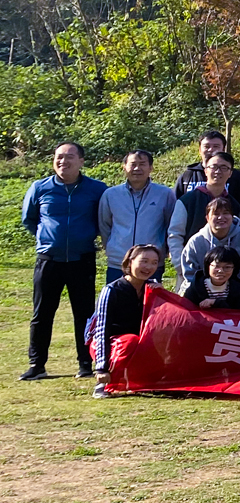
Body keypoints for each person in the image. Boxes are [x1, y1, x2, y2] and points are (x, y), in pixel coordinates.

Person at [21, 142, 107, 380]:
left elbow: (103, 219)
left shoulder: (97, 189)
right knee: (42, 313)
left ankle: (86, 363)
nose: (63, 161)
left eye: (70, 157)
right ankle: (37, 365)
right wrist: (47, 239)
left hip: (82, 259)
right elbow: (29, 219)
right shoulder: (40, 187)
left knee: (84, 313)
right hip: (49, 260)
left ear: (81, 161)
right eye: (59, 156)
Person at [87, 244, 162, 398]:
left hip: (138, 343)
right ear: (130, 262)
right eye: (144, 261)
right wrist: (101, 368)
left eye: (154, 263)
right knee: (130, 341)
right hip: (109, 343)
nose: (149, 267)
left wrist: (161, 295)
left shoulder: (151, 289)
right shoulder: (111, 290)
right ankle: (105, 384)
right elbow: (101, 330)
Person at [98, 150, 174, 283]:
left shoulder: (165, 194)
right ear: (124, 167)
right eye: (133, 164)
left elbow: (171, 225)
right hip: (118, 262)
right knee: (118, 296)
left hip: (151, 264)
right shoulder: (111, 194)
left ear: (150, 168)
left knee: (149, 297)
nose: (137, 168)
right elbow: (104, 225)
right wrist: (111, 246)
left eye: (142, 164)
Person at [169, 152, 240, 275]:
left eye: (224, 167)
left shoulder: (234, 205)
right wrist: (181, 266)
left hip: (224, 274)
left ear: (230, 173)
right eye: (213, 167)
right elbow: (175, 234)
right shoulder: (188, 201)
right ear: (205, 171)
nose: (218, 171)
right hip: (191, 270)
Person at [179, 198, 240, 291]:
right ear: (207, 218)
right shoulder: (196, 241)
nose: (221, 217)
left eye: (225, 213)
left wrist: (231, 290)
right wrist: (205, 292)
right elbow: (190, 273)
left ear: (232, 217)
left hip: (235, 291)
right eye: (216, 214)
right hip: (198, 291)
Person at [175, 131, 240, 197]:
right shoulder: (187, 176)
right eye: (206, 146)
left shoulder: (236, 177)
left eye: (216, 146)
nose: (211, 150)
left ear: (223, 149)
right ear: (200, 150)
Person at [182, 246, 240, 310]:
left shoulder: (239, 289)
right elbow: (187, 312)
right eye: (216, 266)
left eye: (227, 267)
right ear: (208, 266)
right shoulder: (195, 287)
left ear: (234, 269)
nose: (221, 271)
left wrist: (216, 302)